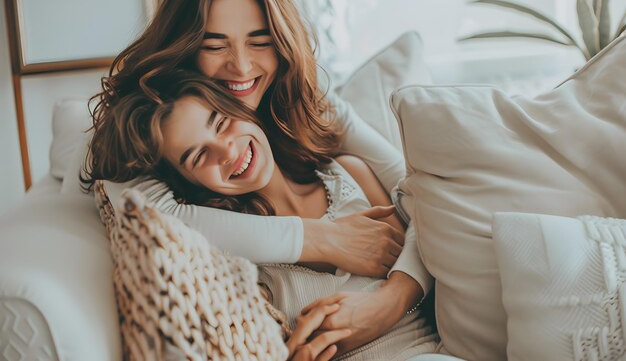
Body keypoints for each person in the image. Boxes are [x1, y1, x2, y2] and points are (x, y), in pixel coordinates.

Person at [83, 0, 432, 353]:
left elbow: (423, 194)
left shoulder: (318, 118)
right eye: (215, 46)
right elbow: (154, 219)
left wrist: (391, 300)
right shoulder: (158, 143)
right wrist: (323, 238)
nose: (242, 65)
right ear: (184, 51)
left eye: (260, 42)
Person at [92, 72, 437, 360]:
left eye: (221, 122)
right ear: (190, 183)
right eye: (200, 157)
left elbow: (425, 235)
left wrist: (386, 303)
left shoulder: (348, 174)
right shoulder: (241, 262)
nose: (227, 151)